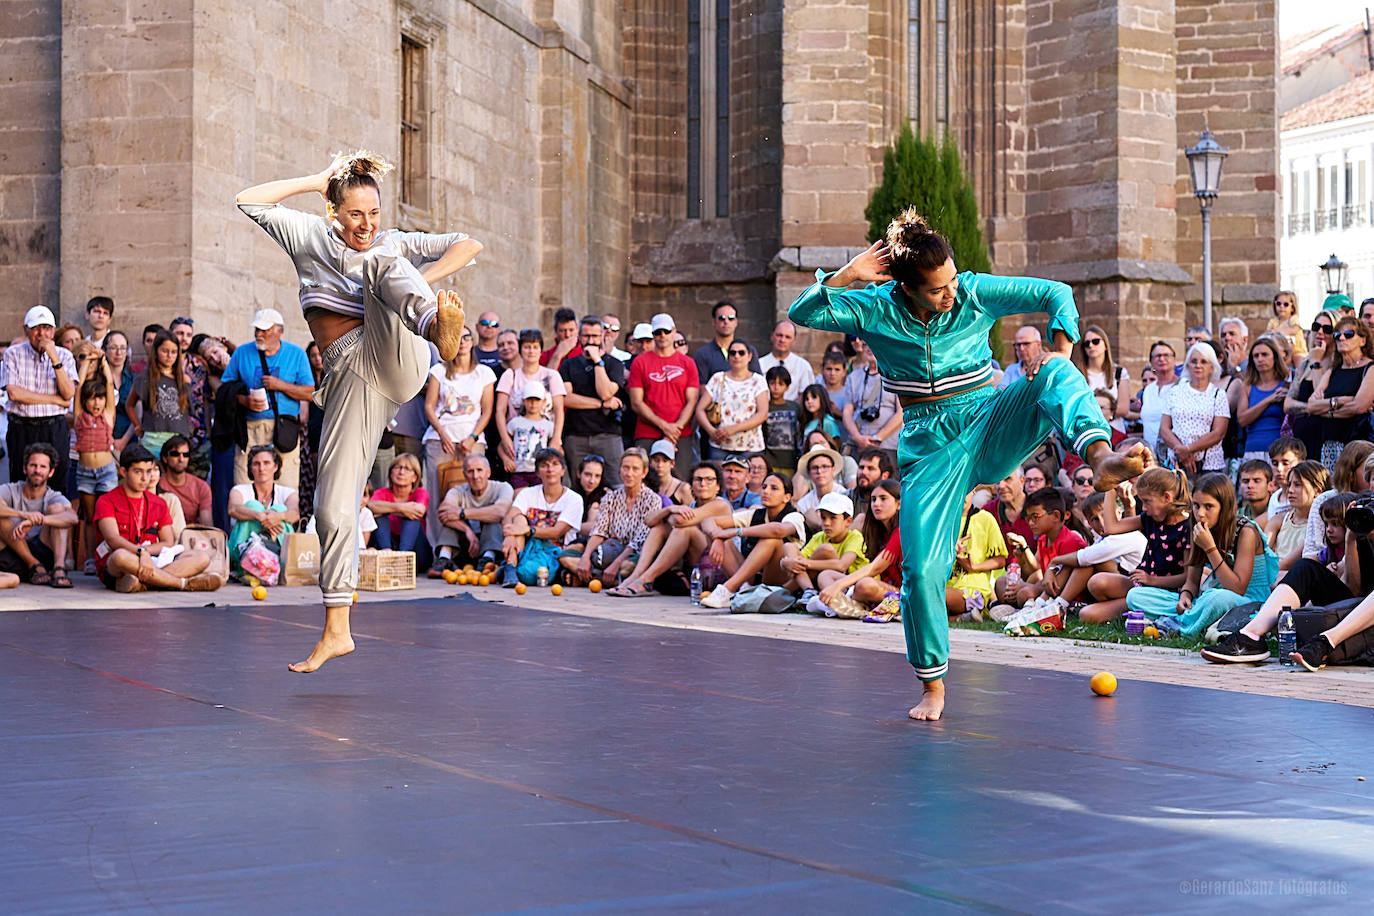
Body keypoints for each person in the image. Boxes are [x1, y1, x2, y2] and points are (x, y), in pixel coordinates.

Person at [790, 209, 1145, 720]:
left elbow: (1054, 293)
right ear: (905, 286)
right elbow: (802, 312)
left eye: (951, 280)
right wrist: (848, 274)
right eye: (936, 289)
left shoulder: (974, 291)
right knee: (922, 570)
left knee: (1054, 375)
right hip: (930, 447)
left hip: (988, 417)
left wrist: (1059, 349)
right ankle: (933, 685)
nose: (950, 293)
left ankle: (1098, 452)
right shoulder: (874, 308)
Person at [237, 151, 481, 671]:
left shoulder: (388, 245)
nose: (366, 225)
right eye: (355, 215)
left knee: (384, 260)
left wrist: (428, 281)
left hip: (402, 348)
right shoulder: (308, 237)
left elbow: (470, 243)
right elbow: (247, 200)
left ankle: (436, 325)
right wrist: (315, 179)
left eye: (373, 213)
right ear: (333, 212)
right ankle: (336, 628)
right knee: (332, 503)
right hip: (349, 378)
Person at [1128, 472, 1276, 637]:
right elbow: (1191, 582)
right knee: (1135, 596)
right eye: (1197, 506)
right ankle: (1193, 618)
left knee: (1216, 599)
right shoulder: (1198, 527)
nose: (1201, 513)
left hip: (1247, 601)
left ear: (1224, 507)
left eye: (1209, 506)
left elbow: (1237, 589)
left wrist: (1210, 548)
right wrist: (1186, 596)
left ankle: (1175, 626)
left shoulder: (1246, 531)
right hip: (1207, 598)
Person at [92, 444, 220, 592]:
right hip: (120, 564)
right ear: (123, 472)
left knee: (201, 557)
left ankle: (141, 584)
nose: (145, 478)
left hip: (153, 561)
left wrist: (147, 553)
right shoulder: (107, 500)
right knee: (120, 556)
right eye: (138, 472)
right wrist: (141, 553)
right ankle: (183, 584)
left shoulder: (159, 503)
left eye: (149, 471)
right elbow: (113, 540)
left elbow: (168, 541)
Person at [218, 308, 315, 490]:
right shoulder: (242, 353)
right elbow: (224, 389)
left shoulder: (296, 354)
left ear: (279, 331)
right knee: (244, 483)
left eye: (265, 330)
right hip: (249, 428)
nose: (259, 334)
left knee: (285, 485)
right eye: (257, 330)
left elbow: (310, 393)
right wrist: (242, 400)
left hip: (283, 428)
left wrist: (281, 385)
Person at [1079, 468, 1191, 623]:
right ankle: (1138, 609)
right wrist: (1111, 487)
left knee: (1087, 615)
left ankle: (1146, 610)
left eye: (1147, 501)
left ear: (1167, 497)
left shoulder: (1187, 528)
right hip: (1142, 586)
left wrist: (1152, 580)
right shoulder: (1150, 518)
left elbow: (1187, 577)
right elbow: (1111, 528)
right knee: (1096, 583)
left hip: (1166, 594)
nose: (1143, 508)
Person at [607, 461, 731, 596]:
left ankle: (646, 579)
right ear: (691, 485)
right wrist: (669, 509)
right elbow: (648, 521)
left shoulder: (720, 505)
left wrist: (672, 516)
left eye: (709, 480)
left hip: (719, 570)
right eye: (698, 479)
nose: (703, 484)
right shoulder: (690, 506)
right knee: (660, 527)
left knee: (685, 529)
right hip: (696, 569)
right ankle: (635, 577)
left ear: (718, 486)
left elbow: (679, 520)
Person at [422, 325, 495, 544]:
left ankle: (472, 547)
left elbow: (487, 410)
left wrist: (472, 438)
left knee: (473, 493)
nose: (462, 342)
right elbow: (429, 407)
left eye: (466, 338)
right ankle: (440, 548)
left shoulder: (484, 373)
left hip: (472, 442)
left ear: (472, 342)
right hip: (439, 440)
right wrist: (443, 434)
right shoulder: (439, 371)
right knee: (439, 495)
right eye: (457, 337)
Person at [698, 472, 809, 607]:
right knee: (722, 538)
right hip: (753, 579)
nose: (766, 491)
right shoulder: (756, 514)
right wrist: (718, 536)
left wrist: (736, 532)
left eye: (774, 488)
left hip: (784, 580)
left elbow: (778, 530)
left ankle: (727, 590)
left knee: (771, 539)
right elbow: (708, 521)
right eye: (764, 487)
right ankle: (742, 589)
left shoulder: (794, 516)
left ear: (786, 497)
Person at [4, 307, 76, 494]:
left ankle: (53, 522)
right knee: (21, 482)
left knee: (58, 482)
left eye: (46, 328)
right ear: (26, 330)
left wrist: (54, 358)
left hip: (53, 428)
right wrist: (55, 400)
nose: (41, 333)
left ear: (53, 331)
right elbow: (14, 394)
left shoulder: (65, 355)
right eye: (36, 328)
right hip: (22, 427)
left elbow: (68, 394)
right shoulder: (13, 353)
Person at [562, 449, 660, 586]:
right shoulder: (610, 497)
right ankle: (606, 580)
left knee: (629, 566)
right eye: (625, 468)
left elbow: (638, 541)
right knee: (565, 557)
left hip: (632, 554)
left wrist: (616, 564)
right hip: (609, 550)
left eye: (635, 469)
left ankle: (594, 578)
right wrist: (585, 557)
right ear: (620, 470)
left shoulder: (652, 500)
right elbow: (599, 531)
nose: (629, 473)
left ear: (644, 472)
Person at [497, 448, 583, 587]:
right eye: (544, 465)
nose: (550, 469)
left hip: (556, 550)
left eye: (555, 464)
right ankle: (510, 568)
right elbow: (509, 517)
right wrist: (509, 535)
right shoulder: (527, 493)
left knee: (529, 574)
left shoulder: (574, 499)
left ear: (563, 470)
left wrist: (525, 530)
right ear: (537, 472)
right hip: (527, 547)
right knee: (518, 518)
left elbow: (556, 532)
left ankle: (510, 569)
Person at [628, 313, 700, 478]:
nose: (662, 336)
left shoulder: (687, 363)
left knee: (680, 481)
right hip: (648, 432)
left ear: (674, 331)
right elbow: (636, 403)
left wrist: (675, 429)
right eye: (657, 332)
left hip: (680, 434)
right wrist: (665, 427)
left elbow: (692, 400)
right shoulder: (640, 362)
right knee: (644, 480)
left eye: (666, 332)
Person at [0, 443, 78, 588]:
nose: (37, 471)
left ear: (51, 472)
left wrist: (40, 520)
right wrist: (23, 515)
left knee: (57, 510)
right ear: (25, 468)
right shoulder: (11, 489)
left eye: (43, 467)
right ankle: (33, 564)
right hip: (14, 551)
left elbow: (73, 518)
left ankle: (58, 569)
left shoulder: (53, 496)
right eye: (33, 465)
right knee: (2, 518)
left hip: (42, 551)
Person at [560, 315, 626, 486]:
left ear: (603, 335)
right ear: (579, 337)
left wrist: (598, 361)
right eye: (586, 336)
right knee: (577, 486)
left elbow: (605, 392)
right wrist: (601, 404)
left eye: (595, 336)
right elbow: (566, 399)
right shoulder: (569, 365)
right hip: (576, 436)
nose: (590, 340)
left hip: (608, 435)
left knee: (616, 484)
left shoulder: (615, 364)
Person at [495, 328, 566, 472]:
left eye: (535, 347)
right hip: (517, 439)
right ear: (520, 350)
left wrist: (556, 440)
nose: (531, 351)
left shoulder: (551, 376)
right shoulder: (511, 375)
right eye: (527, 347)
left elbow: (559, 410)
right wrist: (505, 438)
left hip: (545, 436)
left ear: (541, 350)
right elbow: (500, 410)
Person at [1307, 316, 1374, 470]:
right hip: (1329, 445)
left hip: (1358, 446)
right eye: (1337, 335)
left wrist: (1324, 410)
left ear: (1363, 341)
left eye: (1349, 334)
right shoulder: (1332, 371)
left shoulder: (1370, 368)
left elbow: (1359, 406)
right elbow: (1311, 406)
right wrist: (1337, 401)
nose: (1341, 338)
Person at [429, 454, 513, 575]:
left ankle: (488, 560)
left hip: (494, 545)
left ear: (488, 472)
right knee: (450, 521)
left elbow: (500, 512)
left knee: (491, 516)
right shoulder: (457, 491)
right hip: (464, 547)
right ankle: (444, 559)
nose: (475, 476)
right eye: (470, 471)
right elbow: (443, 513)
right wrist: (467, 530)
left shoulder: (503, 487)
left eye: (479, 470)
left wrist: (462, 513)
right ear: (464, 475)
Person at [227, 445, 301, 578]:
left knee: (280, 509)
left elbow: (294, 514)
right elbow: (233, 509)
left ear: (276, 466)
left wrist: (277, 517)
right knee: (253, 506)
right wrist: (259, 516)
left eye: (266, 463)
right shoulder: (239, 490)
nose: (261, 468)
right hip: (244, 550)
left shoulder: (288, 492)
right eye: (256, 464)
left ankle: (275, 559)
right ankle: (249, 562)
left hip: (278, 547)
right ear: (250, 468)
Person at [781, 491, 865, 604]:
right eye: (823, 518)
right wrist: (786, 563)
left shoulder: (854, 536)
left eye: (833, 518)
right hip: (819, 579)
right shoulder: (819, 536)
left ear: (848, 521)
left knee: (825, 550)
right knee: (788, 546)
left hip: (848, 582)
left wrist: (805, 563)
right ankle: (808, 591)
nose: (827, 523)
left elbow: (842, 565)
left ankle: (786, 590)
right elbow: (798, 561)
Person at [1159, 342, 1229, 475]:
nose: (1198, 365)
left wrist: (1188, 450)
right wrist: (1180, 451)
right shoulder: (1175, 391)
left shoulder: (1218, 395)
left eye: (1204, 362)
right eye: (1194, 361)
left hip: (1209, 465)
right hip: (1176, 462)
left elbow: (1219, 432)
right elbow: (1164, 428)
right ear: (1187, 365)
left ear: (1212, 367)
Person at [125, 328, 195, 460]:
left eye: (174, 352)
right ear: (156, 351)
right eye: (165, 351)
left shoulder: (183, 379)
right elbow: (129, 405)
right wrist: (137, 425)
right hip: (153, 440)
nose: (169, 356)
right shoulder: (146, 377)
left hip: (179, 442)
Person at [696, 341, 768, 461]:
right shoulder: (717, 378)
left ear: (749, 356)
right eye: (732, 353)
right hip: (719, 445)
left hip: (750, 447)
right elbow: (700, 409)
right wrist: (711, 431)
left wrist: (732, 429)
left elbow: (762, 414)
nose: (737, 356)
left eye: (741, 353)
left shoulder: (758, 381)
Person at [840, 338, 901, 467]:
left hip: (888, 445)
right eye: (865, 344)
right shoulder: (854, 377)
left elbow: (901, 413)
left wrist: (877, 438)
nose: (869, 348)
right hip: (859, 444)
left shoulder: (895, 374)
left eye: (873, 343)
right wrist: (857, 437)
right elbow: (847, 411)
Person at [1284, 313, 1333, 459]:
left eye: (1327, 329)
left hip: (1323, 438)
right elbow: (1288, 404)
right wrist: (1311, 408)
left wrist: (1316, 362)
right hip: (1301, 439)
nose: (1320, 332)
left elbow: (1320, 398)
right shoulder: (1306, 363)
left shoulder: (1335, 363)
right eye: (1316, 327)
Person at [368, 452, 430, 564]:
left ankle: (402, 558)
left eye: (407, 469)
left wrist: (388, 509)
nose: (401, 472)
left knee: (412, 518)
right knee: (379, 516)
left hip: (416, 553)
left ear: (415, 477)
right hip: (387, 544)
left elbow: (419, 510)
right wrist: (402, 508)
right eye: (398, 468)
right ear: (391, 473)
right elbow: (370, 506)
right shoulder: (382, 493)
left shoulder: (420, 493)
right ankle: (387, 554)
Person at [1265, 459, 1327, 572]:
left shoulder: (1317, 527)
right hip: (1272, 573)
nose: (1290, 490)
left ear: (1318, 490)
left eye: (1298, 485)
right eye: (1289, 484)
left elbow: (1287, 564)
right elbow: (1262, 554)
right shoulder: (1278, 520)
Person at [1237, 337, 1290, 461]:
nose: (1260, 359)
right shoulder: (1247, 387)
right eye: (1256, 356)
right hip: (1253, 449)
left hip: (1280, 451)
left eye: (1264, 354)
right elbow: (1242, 419)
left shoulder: (1286, 384)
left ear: (1275, 357)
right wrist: (1269, 400)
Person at [1071, 324, 1130, 433]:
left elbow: (1123, 408)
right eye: (1086, 343)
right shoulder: (1077, 374)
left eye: (1096, 341)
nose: (1091, 346)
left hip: (1115, 430)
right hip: (1086, 430)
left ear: (1105, 345)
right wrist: (1106, 410)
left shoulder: (1119, 373)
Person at [694, 300, 759, 383]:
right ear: (714, 321)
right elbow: (701, 386)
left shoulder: (748, 350)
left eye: (731, 318)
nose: (726, 322)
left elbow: (758, 382)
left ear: (736, 322)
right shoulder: (702, 354)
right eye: (722, 318)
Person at [505, 383, 555, 488]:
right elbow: (502, 446)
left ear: (544, 401)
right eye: (529, 400)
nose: (533, 403)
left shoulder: (548, 425)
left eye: (537, 400)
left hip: (539, 471)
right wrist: (506, 459)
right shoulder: (515, 423)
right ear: (523, 401)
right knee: (520, 497)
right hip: (518, 471)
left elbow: (556, 447)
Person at [157, 435, 213, 528]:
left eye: (185, 455)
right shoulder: (156, 485)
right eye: (175, 454)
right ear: (165, 458)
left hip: (191, 537)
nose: (181, 459)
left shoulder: (201, 486)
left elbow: (206, 526)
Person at [1133, 341, 1179, 452]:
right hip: (1151, 454)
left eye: (1166, 355)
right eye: (1158, 356)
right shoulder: (1148, 390)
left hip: (1174, 454)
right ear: (1151, 362)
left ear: (1174, 359)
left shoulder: (1183, 386)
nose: (1162, 359)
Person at [758, 321, 815, 401]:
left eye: (787, 337)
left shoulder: (803, 366)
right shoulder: (759, 364)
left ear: (794, 340)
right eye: (779, 335)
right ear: (772, 336)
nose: (782, 340)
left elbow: (806, 393)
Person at [794, 443, 843, 530]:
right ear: (809, 473)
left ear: (833, 469)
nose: (819, 471)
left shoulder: (844, 494)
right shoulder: (804, 502)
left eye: (824, 467)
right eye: (814, 468)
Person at [1266, 290, 1306, 359]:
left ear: (1292, 308)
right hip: (1281, 352)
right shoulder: (1273, 321)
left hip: (1297, 352)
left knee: (1298, 360)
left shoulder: (1293, 319)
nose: (1282, 306)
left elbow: (1294, 330)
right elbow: (1268, 334)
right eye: (1278, 303)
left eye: (1286, 304)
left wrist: (1276, 331)